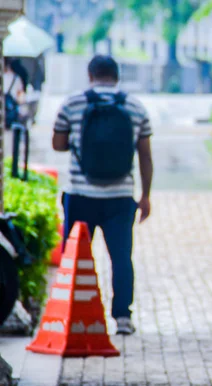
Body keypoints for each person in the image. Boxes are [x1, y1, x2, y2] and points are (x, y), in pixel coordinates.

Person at [52, 55, 153, 335]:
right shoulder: (135, 106)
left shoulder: (73, 103)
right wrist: (145, 196)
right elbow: (145, 155)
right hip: (120, 198)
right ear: (117, 76)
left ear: (90, 75)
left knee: (73, 255)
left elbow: (58, 143)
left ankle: (69, 314)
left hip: (80, 194)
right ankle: (122, 317)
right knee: (121, 257)